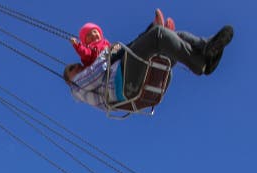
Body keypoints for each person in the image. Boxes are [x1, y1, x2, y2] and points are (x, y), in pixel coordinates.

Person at [63, 9, 234, 110]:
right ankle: (199, 62)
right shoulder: (77, 87)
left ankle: (206, 48)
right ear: (69, 80)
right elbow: (100, 69)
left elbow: (119, 53)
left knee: (173, 36)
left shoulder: (96, 63)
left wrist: (112, 52)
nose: (77, 66)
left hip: (133, 76)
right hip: (123, 84)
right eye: (72, 69)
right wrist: (108, 53)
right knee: (158, 36)